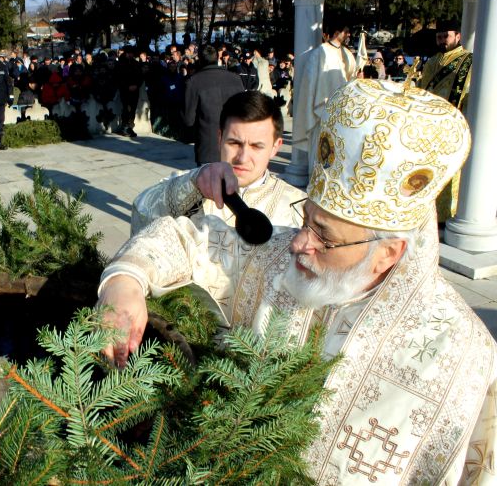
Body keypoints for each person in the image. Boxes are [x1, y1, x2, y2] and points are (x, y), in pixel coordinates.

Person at [97, 79, 496, 484]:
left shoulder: (464, 355)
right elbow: (190, 238)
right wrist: (125, 280)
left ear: (388, 253)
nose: (300, 243)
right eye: (306, 220)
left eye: (325, 237)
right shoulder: (278, 258)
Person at [131, 91, 304, 235]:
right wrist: (193, 183)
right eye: (234, 143)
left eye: (256, 146)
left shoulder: (299, 208)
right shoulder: (190, 183)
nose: (242, 158)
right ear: (220, 138)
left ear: (275, 147)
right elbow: (142, 211)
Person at [417, 19, 473, 225]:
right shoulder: (432, 61)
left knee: (451, 172)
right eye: (439, 37)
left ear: (457, 36)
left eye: (445, 36)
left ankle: (447, 214)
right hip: (431, 126)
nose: (442, 40)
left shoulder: (468, 61)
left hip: (454, 125)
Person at [292, 16, 357, 171]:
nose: (348, 35)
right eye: (346, 32)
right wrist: (311, 105)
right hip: (322, 110)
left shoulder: (347, 54)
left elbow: (351, 78)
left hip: (341, 111)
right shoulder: (320, 53)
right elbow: (310, 83)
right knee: (320, 150)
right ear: (337, 32)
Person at [183, 45, 244, 165]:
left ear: (199, 60)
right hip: (235, 143)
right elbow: (246, 111)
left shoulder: (194, 82)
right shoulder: (235, 79)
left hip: (208, 148)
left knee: (210, 182)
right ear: (218, 58)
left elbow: (188, 119)